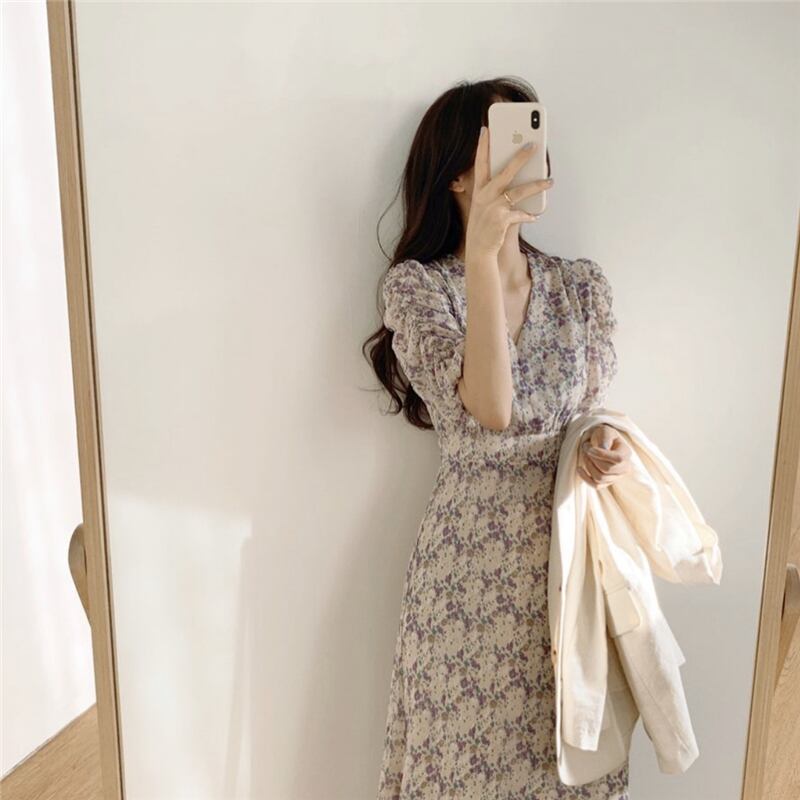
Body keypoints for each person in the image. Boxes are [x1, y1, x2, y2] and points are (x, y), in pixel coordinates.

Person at [365, 77, 633, 800]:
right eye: (503, 144)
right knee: (464, 770)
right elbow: (491, 408)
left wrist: (602, 446)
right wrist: (482, 259)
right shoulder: (419, 290)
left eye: (532, 138)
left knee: (570, 770)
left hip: (571, 564)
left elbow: (588, 415)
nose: (528, 157)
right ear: (457, 174)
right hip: (471, 574)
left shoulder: (581, 287)